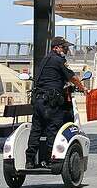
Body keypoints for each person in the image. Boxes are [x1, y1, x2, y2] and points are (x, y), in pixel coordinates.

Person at [25, 37, 87, 169]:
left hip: (38, 100)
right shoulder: (59, 60)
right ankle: (49, 160)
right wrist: (83, 88)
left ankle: (29, 160)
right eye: (64, 47)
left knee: (36, 130)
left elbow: (50, 77)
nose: (67, 50)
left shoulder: (45, 60)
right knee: (52, 129)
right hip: (50, 102)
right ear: (56, 48)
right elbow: (73, 77)